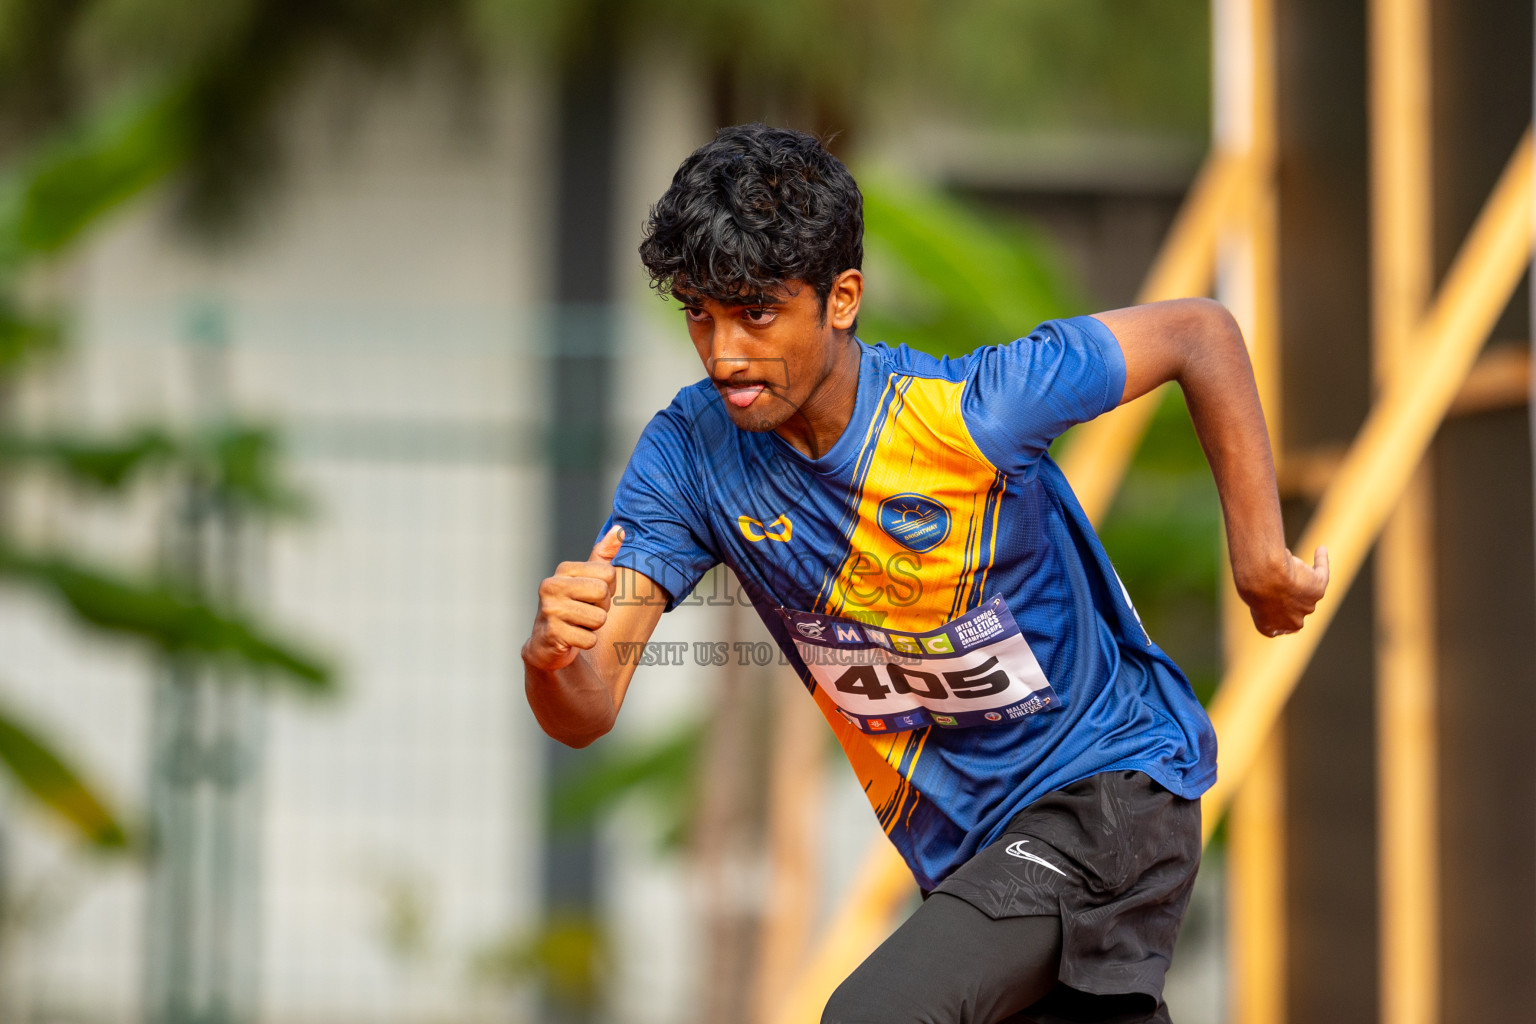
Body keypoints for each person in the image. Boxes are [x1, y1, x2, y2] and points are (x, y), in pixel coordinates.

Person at [521, 123, 1328, 1024]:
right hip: (971, 853)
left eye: (755, 314)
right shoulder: (689, 455)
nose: (724, 356)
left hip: (1109, 788)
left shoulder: (969, 412)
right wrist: (551, 659)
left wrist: (1259, 558)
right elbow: (588, 710)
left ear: (842, 298)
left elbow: (1198, 332)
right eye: (698, 315)